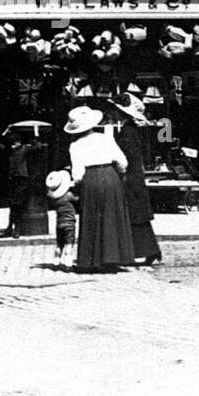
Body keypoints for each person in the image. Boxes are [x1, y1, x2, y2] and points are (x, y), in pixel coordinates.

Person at [65, 105, 134, 272]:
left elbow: (78, 172)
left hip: (91, 178)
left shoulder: (76, 145)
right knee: (112, 215)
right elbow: (122, 161)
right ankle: (114, 256)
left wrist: (76, 182)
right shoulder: (106, 138)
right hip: (110, 176)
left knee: (92, 216)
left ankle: (93, 259)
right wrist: (119, 173)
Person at [112, 93, 162, 266]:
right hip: (134, 177)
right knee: (137, 216)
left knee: (136, 216)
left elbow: (130, 158)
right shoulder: (131, 129)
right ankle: (147, 251)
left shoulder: (127, 132)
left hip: (131, 178)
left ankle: (149, 250)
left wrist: (123, 173)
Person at [45, 169, 78, 268]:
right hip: (69, 224)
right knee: (69, 243)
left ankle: (56, 260)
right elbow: (77, 200)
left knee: (59, 243)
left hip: (59, 223)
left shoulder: (55, 200)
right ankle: (68, 261)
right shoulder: (69, 196)